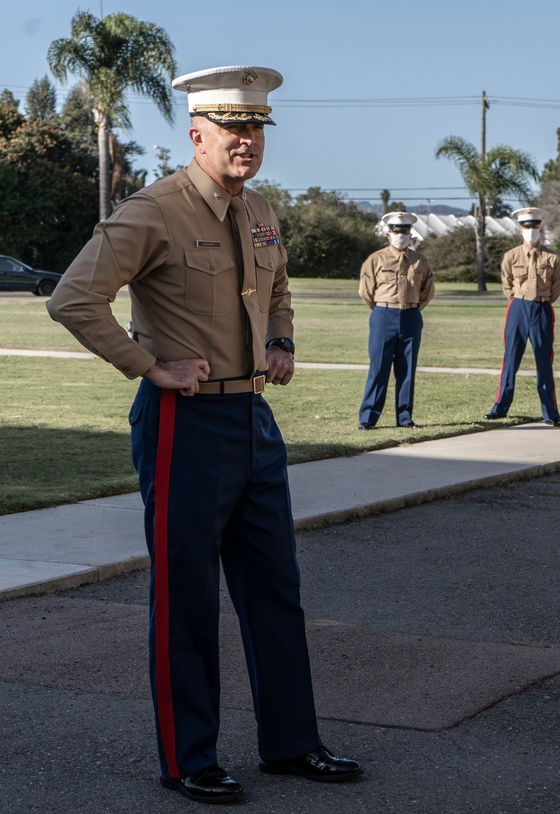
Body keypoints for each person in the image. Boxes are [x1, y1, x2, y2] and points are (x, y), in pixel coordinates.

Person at [46, 65, 362, 805]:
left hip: (253, 417)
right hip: (184, 423)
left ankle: (291, 743)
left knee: (275, 589)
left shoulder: (259, 209)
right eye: (232, 129)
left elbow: (276, 287)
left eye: (255, 129)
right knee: (186, 595)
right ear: (197, 134)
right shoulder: (153, 211)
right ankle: (189, 757)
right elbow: (74, 298)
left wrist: (281, 340)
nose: (246, 142)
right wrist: (147, 366)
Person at [484, 207, 560, 427]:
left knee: (544, 361)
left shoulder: (552, 257)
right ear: (520, 230)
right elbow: (507, 284)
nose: (531, 231)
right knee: (510, 360)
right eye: (527, 227)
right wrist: (519, 299)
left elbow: (557, 287)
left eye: (535, 227)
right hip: (518, 308)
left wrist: (542, 300)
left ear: (541, 228)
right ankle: (499, 408)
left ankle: (550, 413)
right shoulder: (511, 256)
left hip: (541, 309)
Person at [358, 211, 435, 429]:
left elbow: (427, 291)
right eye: (396, 231)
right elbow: (366, 291)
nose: (400, 235)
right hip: (383, 314)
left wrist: (412, 309)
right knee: (378, 368)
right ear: (388, 234)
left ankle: (404, 418)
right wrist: (383, 308)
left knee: (407, 369)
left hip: (411, 315)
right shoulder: (376, 259)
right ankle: (368, 418)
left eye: (404, 231)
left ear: (410, 234)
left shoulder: (420, 261)